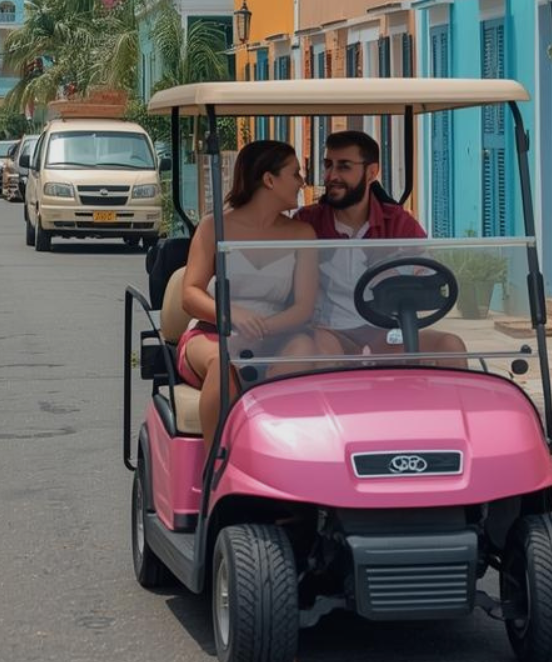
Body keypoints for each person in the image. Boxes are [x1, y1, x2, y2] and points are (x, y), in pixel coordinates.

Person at [178, 140, 322, 442]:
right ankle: (216, 463)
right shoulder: (213, 227)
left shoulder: (302, 233)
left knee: (303, 352)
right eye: (295, 174)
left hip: (276, 334)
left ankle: (278, 451)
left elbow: (303, 307)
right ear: (269, 180)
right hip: (214, 331)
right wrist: (232, 316)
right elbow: (190, 294)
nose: (301, 182)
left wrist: (262, 328)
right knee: (222, 366)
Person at [293, 130, 469, 362]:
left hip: (385, 328)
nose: (331, 175)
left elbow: (429, 275)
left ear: (371, 172)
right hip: (329, 329)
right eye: (328, 165)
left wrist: (398, 273)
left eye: (344, 166)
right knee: (323, 354)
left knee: (450, 345)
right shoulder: (307, 222)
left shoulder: (398, 222)